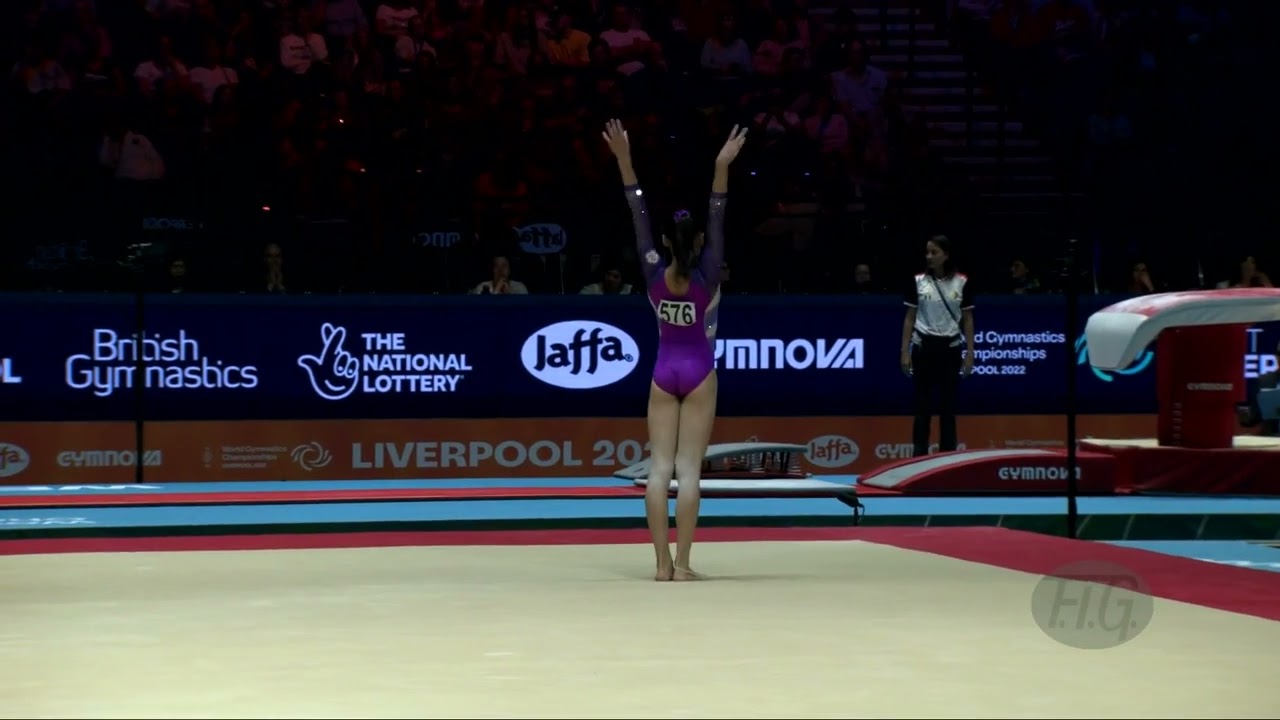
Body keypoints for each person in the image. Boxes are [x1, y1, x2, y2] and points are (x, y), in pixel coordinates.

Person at [602, 118, 747, 581]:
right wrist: (721, 166)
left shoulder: (651, 271)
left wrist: (625, 161)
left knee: (659, 470)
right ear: (699, 242)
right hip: (700, 371)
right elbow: (718, 211)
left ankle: (661, 564)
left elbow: (637, 213)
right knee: (689, 472)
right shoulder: (709, 272)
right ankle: (683, 564)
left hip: (663, 373)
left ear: (665, 243)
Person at [900, 235, 975, 458]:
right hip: (923, 349)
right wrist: (904, 352)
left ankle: (947, 458)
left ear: (946, 255)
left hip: (950, 350)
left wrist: (970, 354)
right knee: (922, 409)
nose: (929, 256)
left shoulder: (962, 281)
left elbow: (968, 320)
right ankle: (918, 457)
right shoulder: (918, 281)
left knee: (947, 408)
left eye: (934, 252)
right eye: (927, 252)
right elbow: (909, 317)